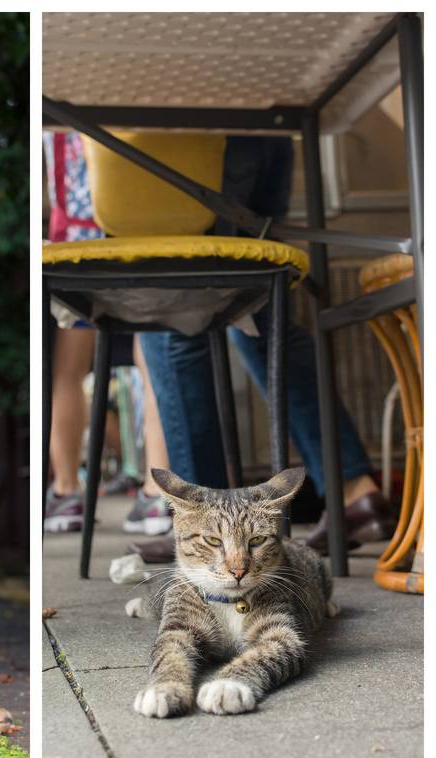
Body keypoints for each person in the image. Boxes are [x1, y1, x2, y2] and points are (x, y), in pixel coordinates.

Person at [134, 135, 393, 562]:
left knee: (173, 322)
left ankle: (207, 527)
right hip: (263, 132)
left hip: (179, 143)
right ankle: (354, 491)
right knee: (263, 323)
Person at [44, 132, 175, 537]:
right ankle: (158, 491)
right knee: (151, 359)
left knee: (69, 369)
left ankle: (67, 491)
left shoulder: (56, 99)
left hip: (79, 239)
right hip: (143, 229)